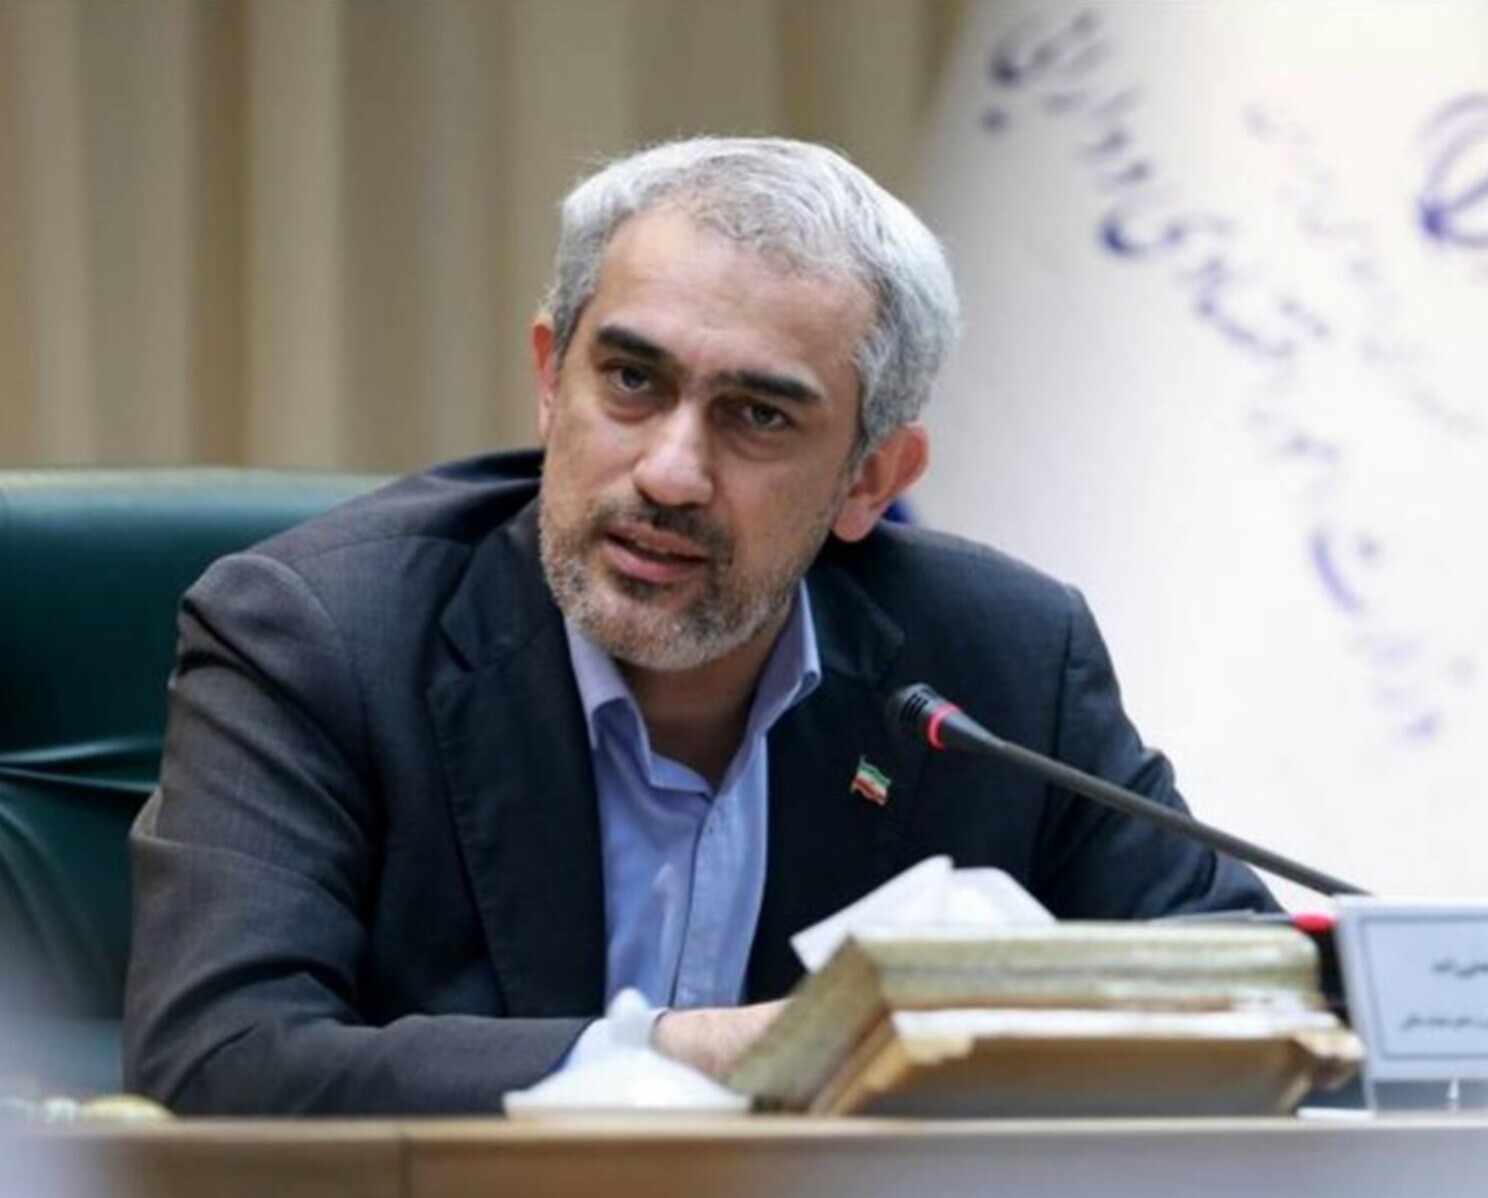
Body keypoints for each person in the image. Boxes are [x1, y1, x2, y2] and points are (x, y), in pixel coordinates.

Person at [123, 137, 1275, 1115]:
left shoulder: (1000, 659)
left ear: (872, 478)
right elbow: (220, 1061)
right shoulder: (322, 637)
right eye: (631, 381)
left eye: (757, 415)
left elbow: (1247, 987)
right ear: (549, 378)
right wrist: (713, 1055)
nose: (671, 473)